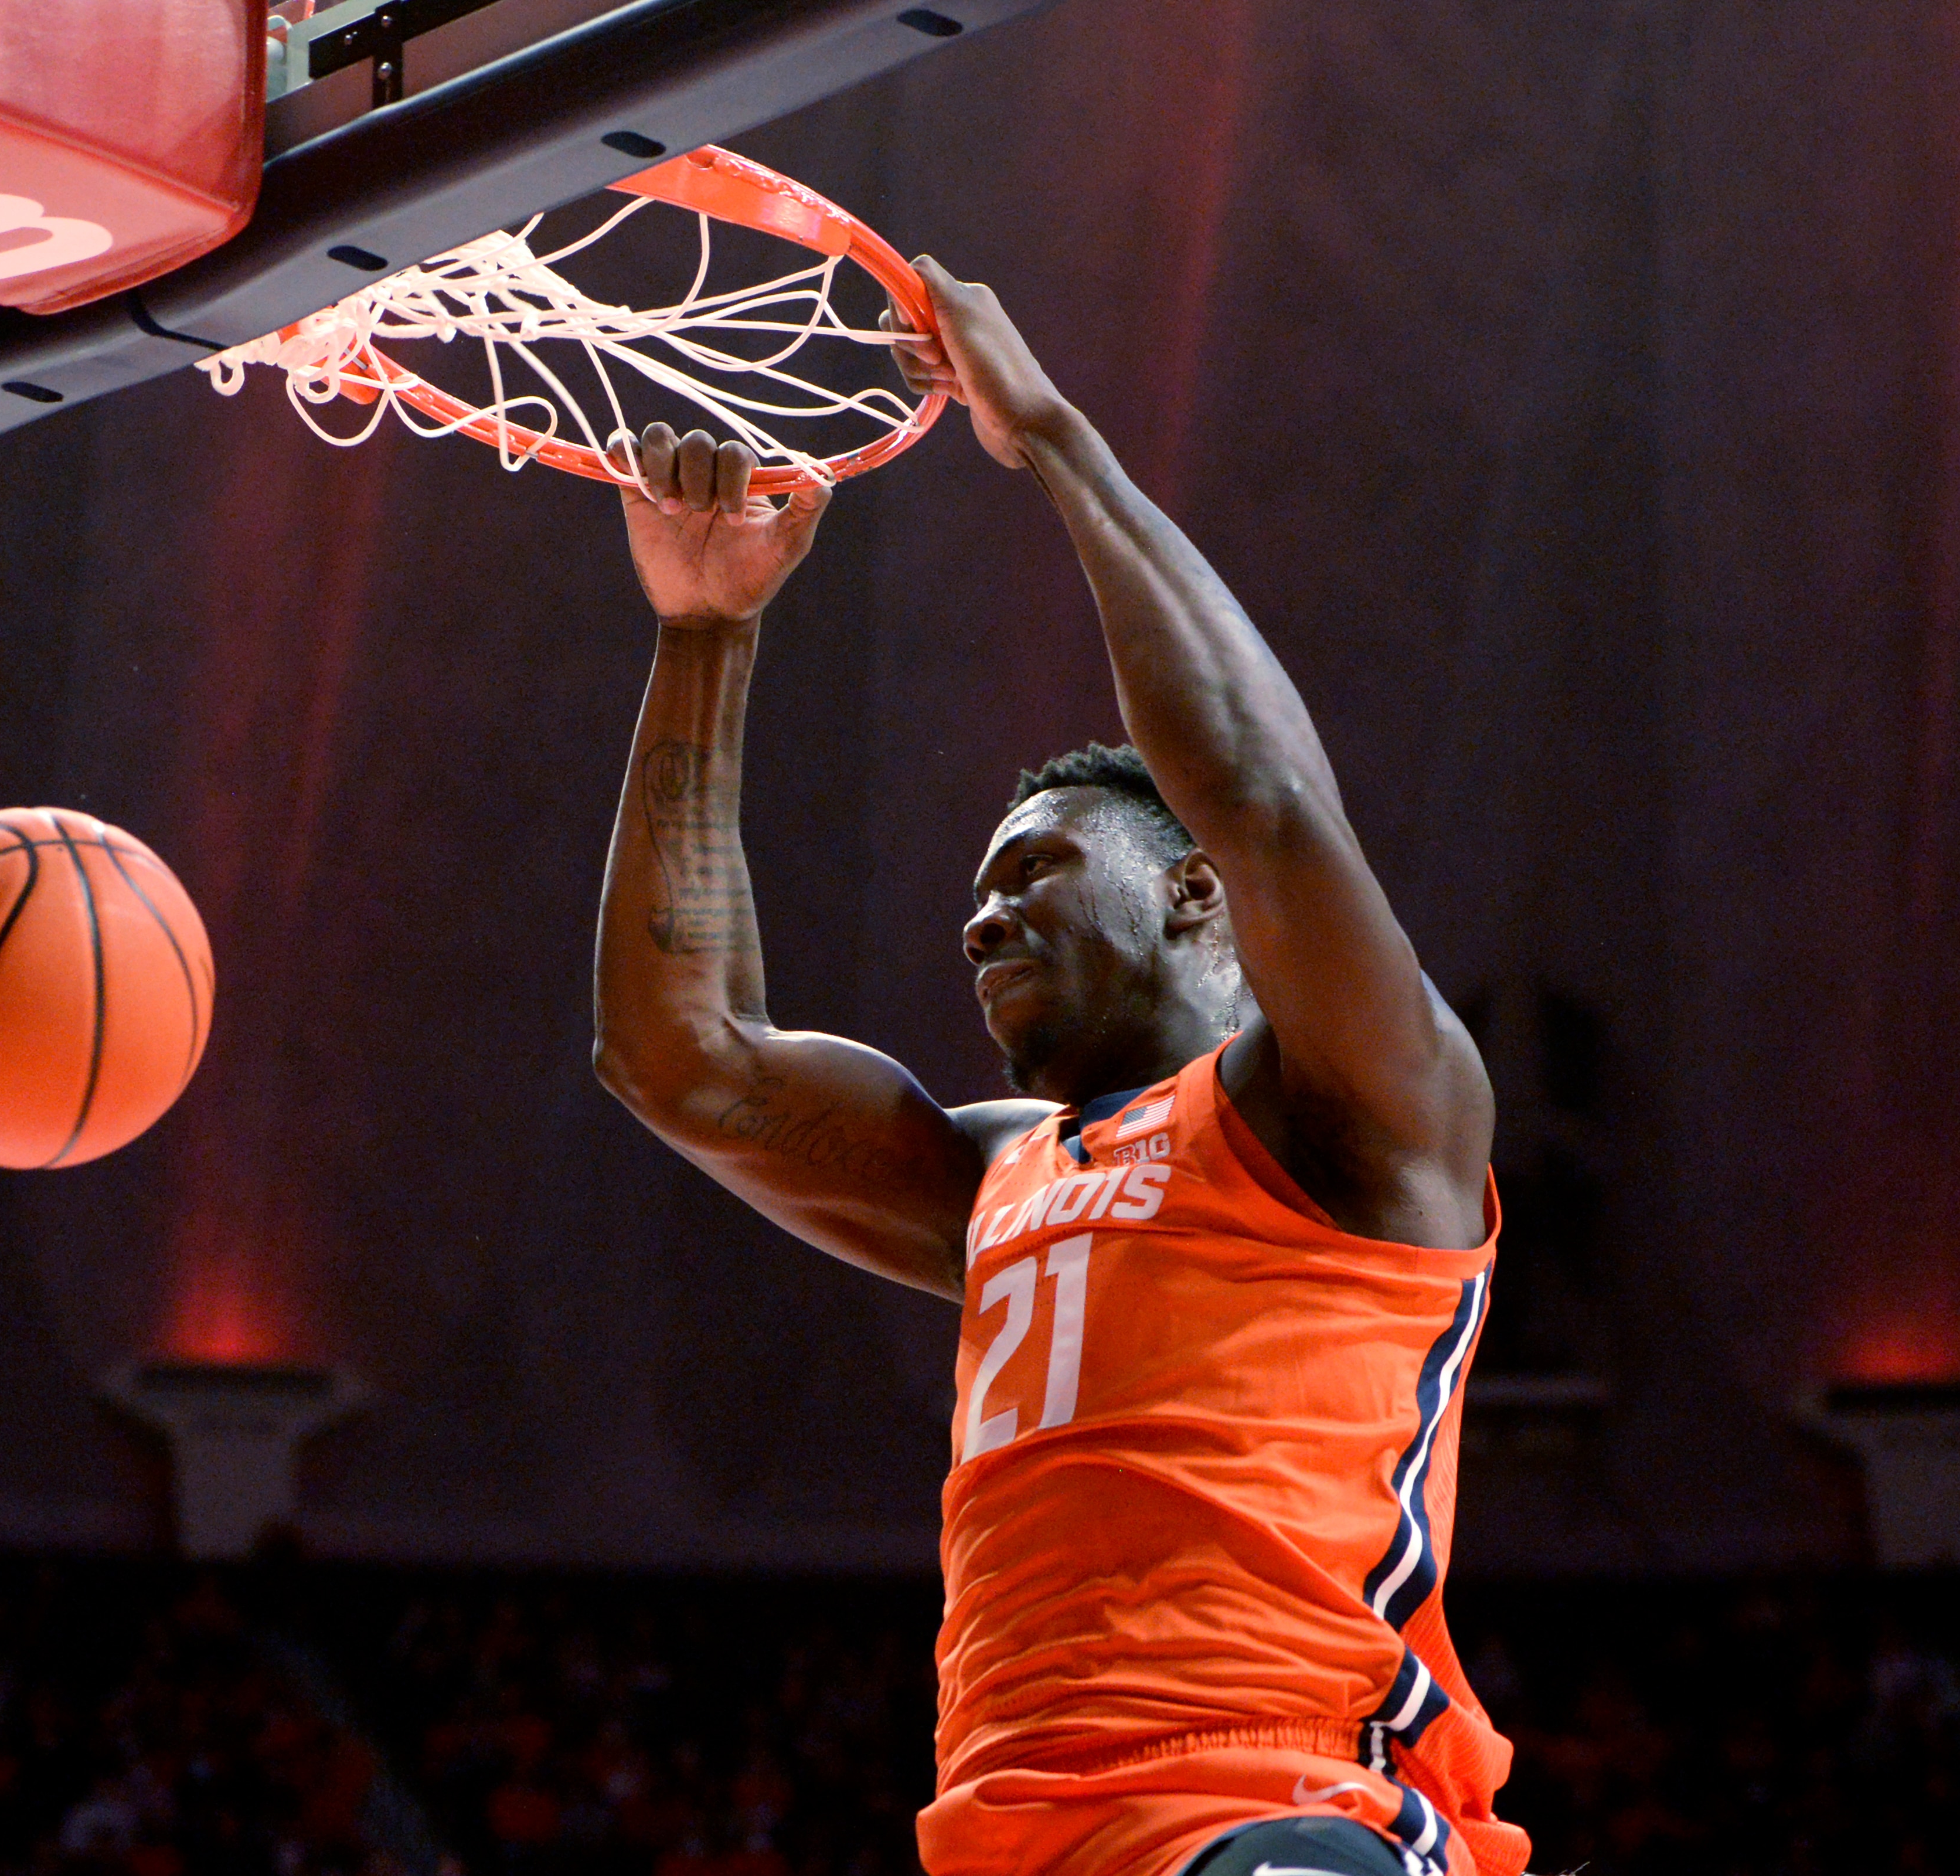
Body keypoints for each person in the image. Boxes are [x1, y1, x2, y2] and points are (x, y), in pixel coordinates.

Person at [589, 259, 1528, 1876]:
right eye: (975, 892)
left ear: (1191, 895)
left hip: (1274, 1804)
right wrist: (705, 632)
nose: (979, 919)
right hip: (1012, 1836)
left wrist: (1051, 437)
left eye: (1031, 870)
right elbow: (679, 1059)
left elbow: (1257, 793)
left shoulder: (1361, 1116)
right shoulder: (994, 1172)